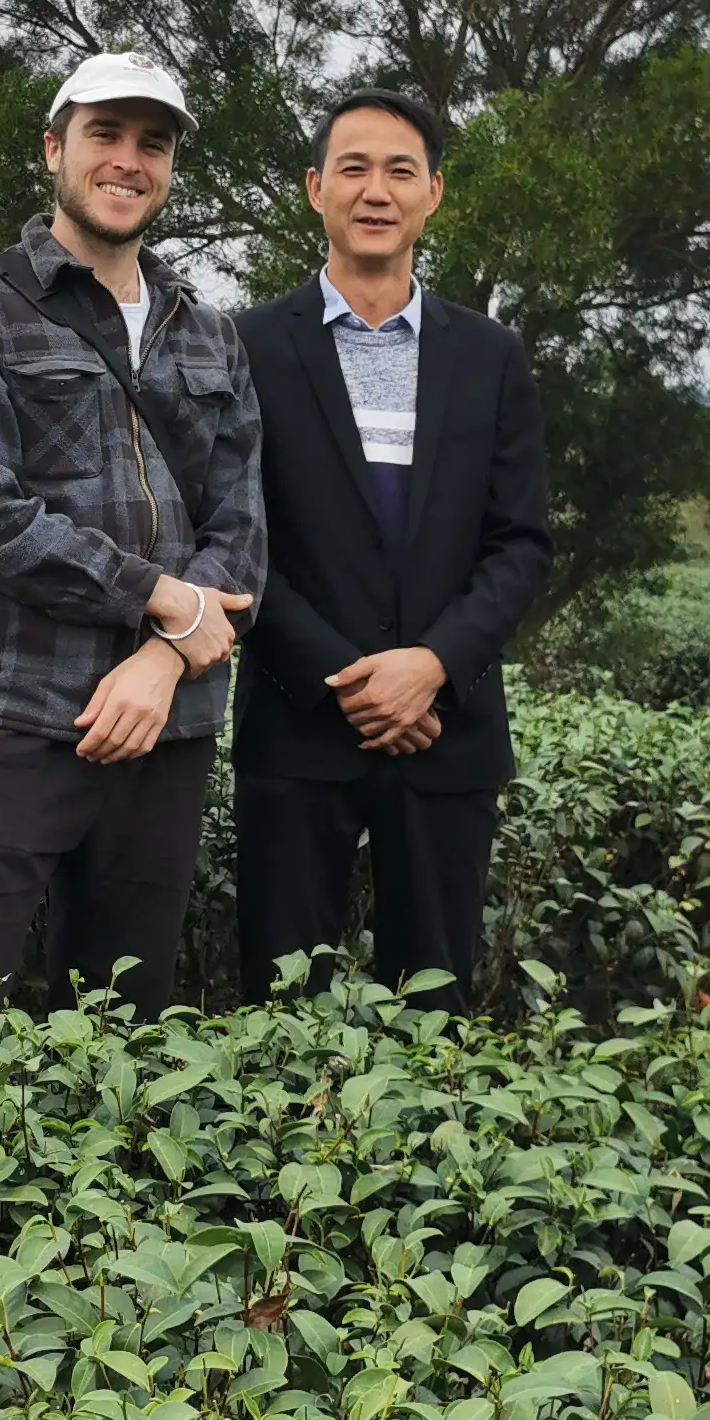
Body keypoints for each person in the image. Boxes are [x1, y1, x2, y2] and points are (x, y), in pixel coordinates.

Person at [0, 51, 267, 1018]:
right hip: (15, 710)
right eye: (105, 134)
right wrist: (163, 600)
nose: (128, 161)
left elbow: (242, 524)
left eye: (154, 143)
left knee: (127, 1040)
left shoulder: (209, 333)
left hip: (170, 728)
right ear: (55, 149)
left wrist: (161, 662)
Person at [234, 86, 552, 1004]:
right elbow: (236, 539)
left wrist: (432, 666)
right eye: (355, 168)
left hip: (446, 737)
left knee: (436, 1017)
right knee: (278, 1017)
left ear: (434, 194)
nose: (377, 190)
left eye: (400, 171)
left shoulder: (491, 356)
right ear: (315, 188)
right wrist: (352, 678)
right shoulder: (245, 346)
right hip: (297, 734)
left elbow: (520, 542)